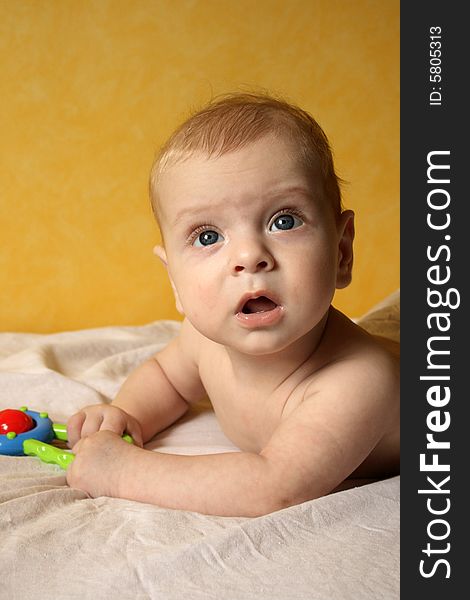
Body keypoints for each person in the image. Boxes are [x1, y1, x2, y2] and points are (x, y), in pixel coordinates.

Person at [66, 92, 399, 517]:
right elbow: (166, 378)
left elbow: (274, 487)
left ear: (341, 253)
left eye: (284, 220)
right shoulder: (202, 343)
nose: (248, 256)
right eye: (208, 236)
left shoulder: (359, 380)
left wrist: (122, 472)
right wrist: (125, 415)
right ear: (174, 280)